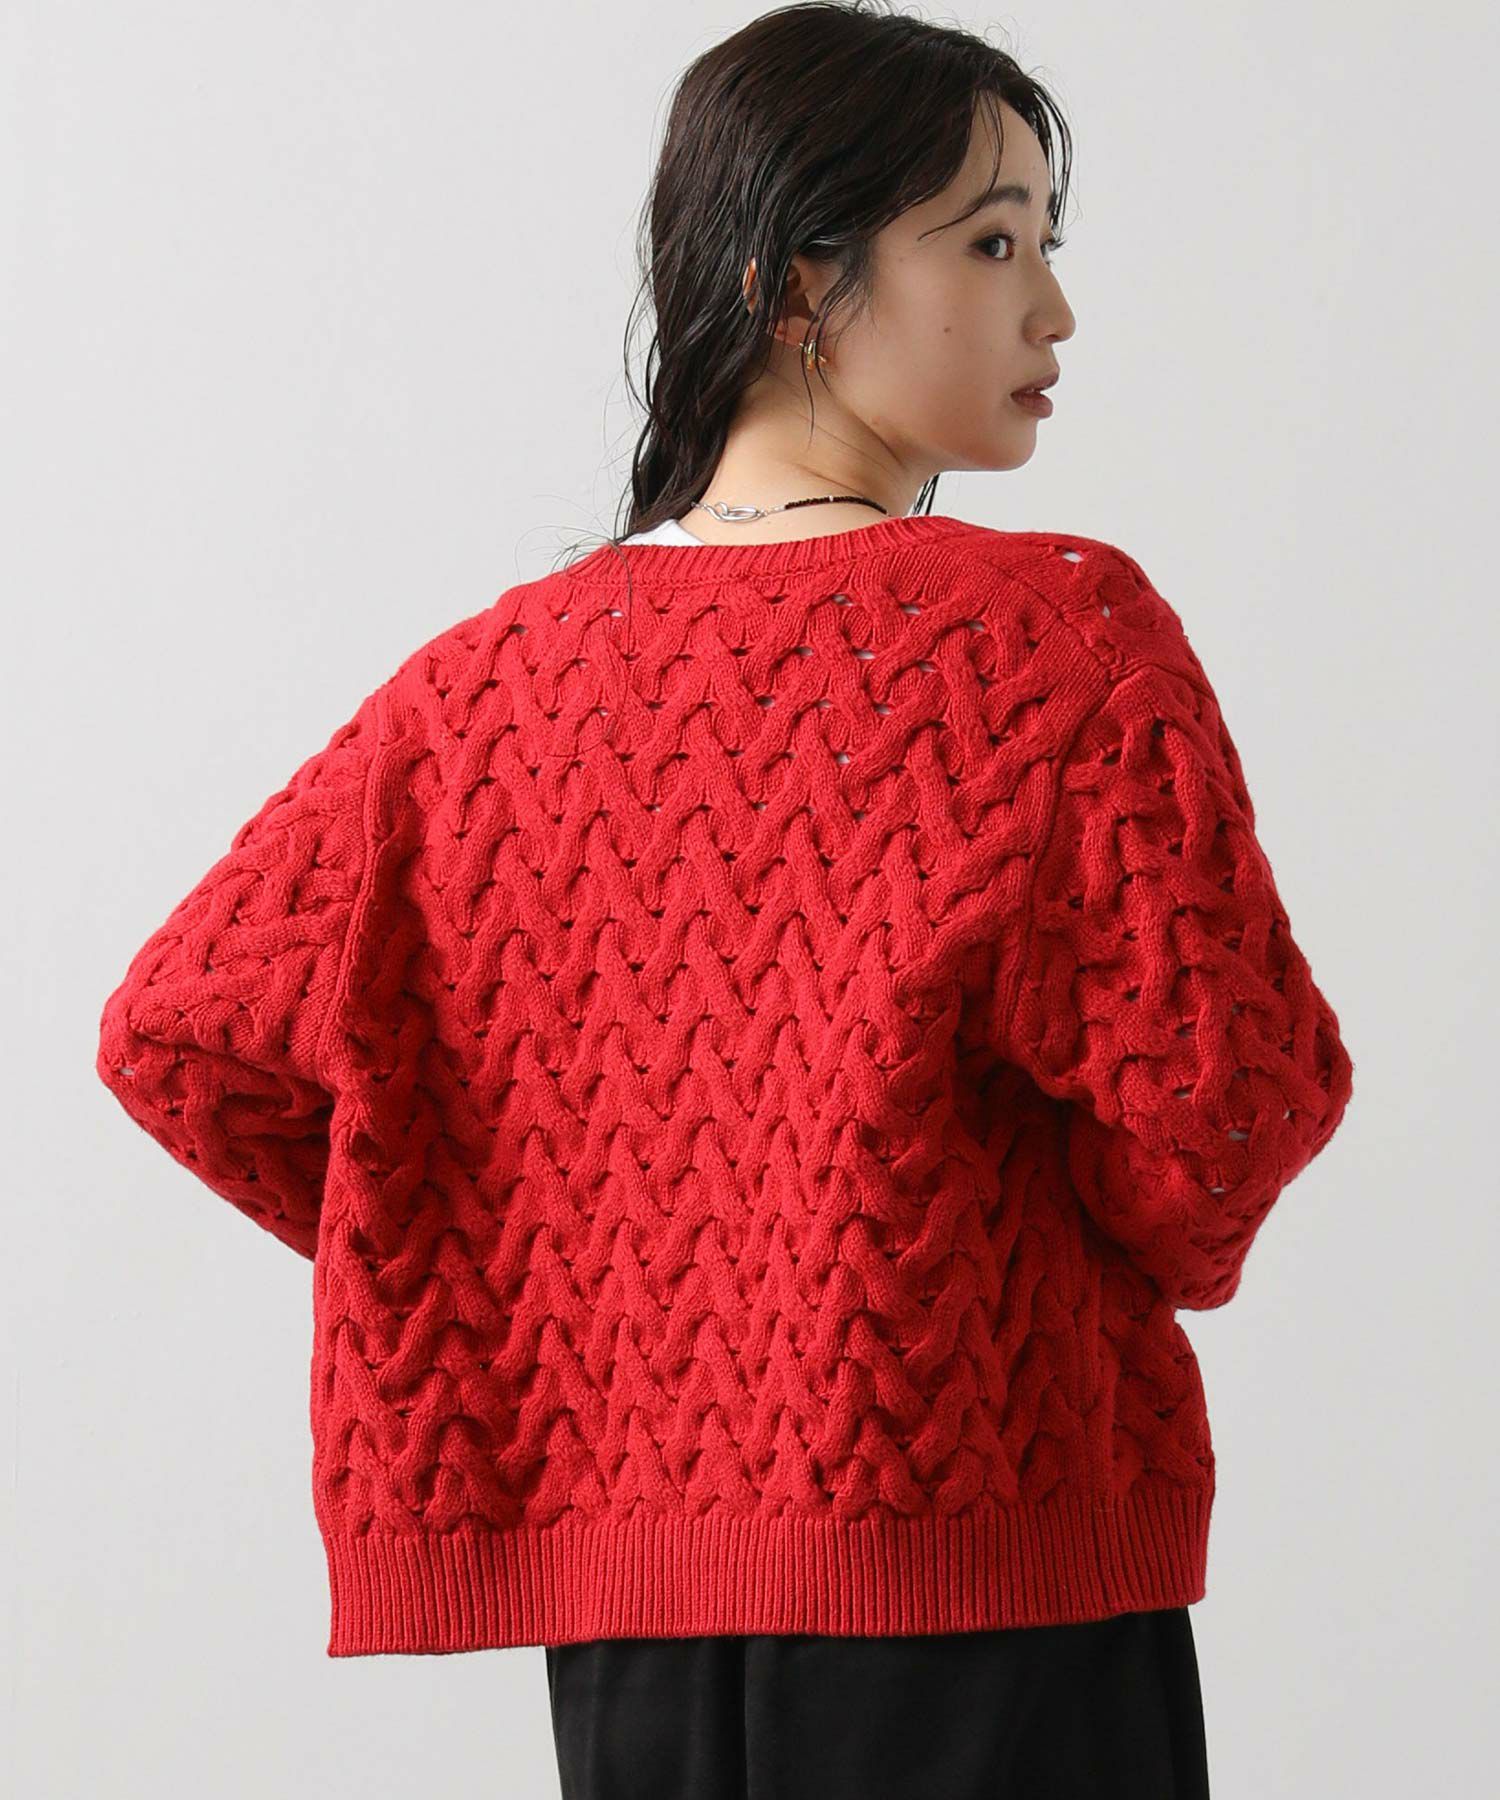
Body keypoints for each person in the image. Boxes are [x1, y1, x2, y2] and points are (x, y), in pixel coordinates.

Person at [94, 5, 1354, 1797]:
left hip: (636, 1648)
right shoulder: (1053, 644)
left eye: (1046, 245)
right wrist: (1098, 1262)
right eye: (994, 244)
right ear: (796, 285)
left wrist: (524, 1254)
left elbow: (183, 1037)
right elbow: (1228, 1101)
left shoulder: (472, 698)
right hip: (990, 1581)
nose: (1055, 309)